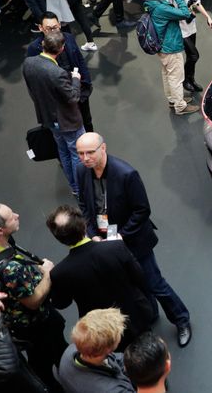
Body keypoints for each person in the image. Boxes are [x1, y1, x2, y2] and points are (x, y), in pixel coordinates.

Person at [74, 132, 193, 347]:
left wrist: (121, 235)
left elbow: (142, 210)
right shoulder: (82, 171)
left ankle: (182, 319)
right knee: (133, 283)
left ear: (103, 148)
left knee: (155, 283)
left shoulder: (126, 174)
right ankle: (151, 313)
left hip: (133, 240)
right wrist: (92, 234)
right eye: (80, 153)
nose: (85, 158)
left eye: (90, 152)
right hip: (106, 240)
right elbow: (84, 206)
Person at [0, 203, 67, 390]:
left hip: (13, 322)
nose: (18, 215)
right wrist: (47, 273)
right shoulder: (10, 269)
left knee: (38, 361)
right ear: (0, 230)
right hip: (35, 324)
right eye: (12, 216)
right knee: (51, 356)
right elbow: (34, 301)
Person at [45, 204, 153, 350]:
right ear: (84, 225)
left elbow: (61, 303)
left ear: (59, 238)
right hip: (135, 316)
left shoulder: (59, 272)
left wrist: (47, 275)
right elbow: (139, 277)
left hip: (103, 330)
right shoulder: (116, 247)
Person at [23, 30, 84, 194]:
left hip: (48, 118)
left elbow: (32, 90)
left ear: (43, 45)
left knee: (63, 151)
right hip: (68, 121)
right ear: (62, 49)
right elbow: (73, 97)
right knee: (76, 154)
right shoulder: (57, 73)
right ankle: (80, 188)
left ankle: (74, 187)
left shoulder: (28, 63)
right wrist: (76, 79)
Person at [142, 0, 200, 115]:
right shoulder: (161, 7)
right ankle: (180, 106)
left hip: (163, 46)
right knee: (176, 77)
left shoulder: (153, 2)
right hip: (170, 46)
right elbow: (185, 13)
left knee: (167, 74)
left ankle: (173, 99)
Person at [27, 13, 93, 132]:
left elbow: (80, 60)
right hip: (58, 101)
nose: (53, 31)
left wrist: (86, 82)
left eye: (55, 27)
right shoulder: (34, 48)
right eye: (48, 28)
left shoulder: (68, 38)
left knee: (86, 121)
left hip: (79, 90)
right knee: (66, 132)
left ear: (60, 25)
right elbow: (34, 78)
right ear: (40, 28)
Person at [56, 309, 135, 392]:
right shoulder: (114, 390)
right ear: (107, 349)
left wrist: (132, 363)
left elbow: (114, 359)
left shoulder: (73, 349)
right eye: (118, 334)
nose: (120, 334)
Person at [167, 0, 212, 93]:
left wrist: (208, 17)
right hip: (179, 29)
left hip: (190, 26)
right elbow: (171, 12)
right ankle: (184, 80)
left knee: (190, 55)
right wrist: (187, 13)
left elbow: (196, 2)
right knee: (194, 55)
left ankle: (190, 80)